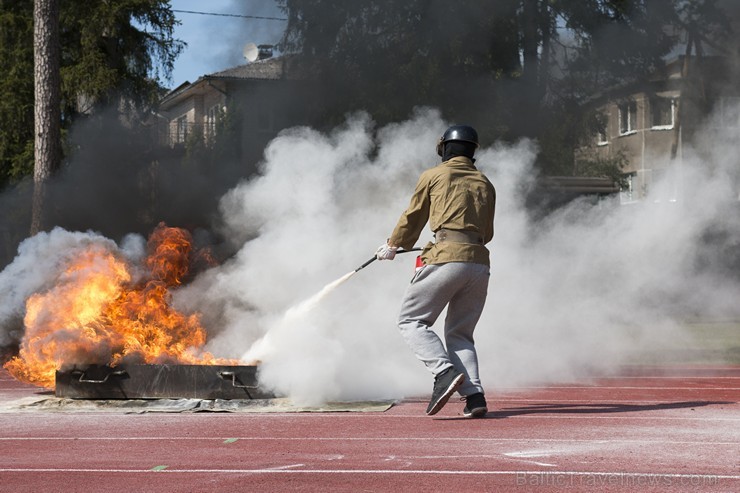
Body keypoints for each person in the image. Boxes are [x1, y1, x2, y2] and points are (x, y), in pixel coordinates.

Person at [376, 124, 496, 418]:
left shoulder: (433, 176)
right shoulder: (485, 183)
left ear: (445, 148)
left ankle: (443, 373)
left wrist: (393, 245)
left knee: (411, 320)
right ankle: (475, 397)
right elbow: (488, 232)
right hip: (479, 262)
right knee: (461, 334)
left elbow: (414, 217)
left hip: (445, 257)